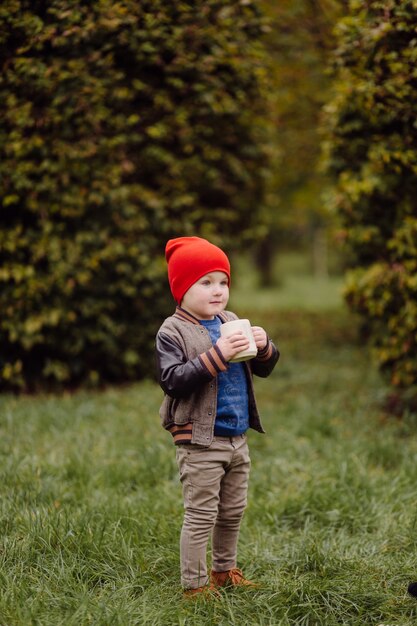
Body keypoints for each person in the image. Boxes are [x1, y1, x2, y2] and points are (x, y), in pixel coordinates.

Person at [155, 236, 279, 597]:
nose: (218, 290)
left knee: (233, 510)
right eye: (206, 282)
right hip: (200, 440)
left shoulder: (230, 321)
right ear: (181, 288)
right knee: (201, 514)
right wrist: (218, 354)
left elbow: (266, 369)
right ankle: (194, 585)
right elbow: (173, 381)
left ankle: (224, 570)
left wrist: (263, 346)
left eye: (223, 281)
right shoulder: (171, 331)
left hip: (237, 436)